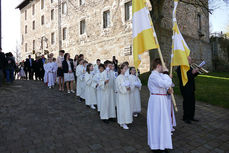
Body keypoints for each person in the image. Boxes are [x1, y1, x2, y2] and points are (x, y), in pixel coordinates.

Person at [147, 58, 173, 152]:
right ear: (158, 66)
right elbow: (164, 83)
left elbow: (166, 86)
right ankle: (156, 146)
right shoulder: (153, 76)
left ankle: (163, 144)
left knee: (163, 123)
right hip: (156, 102)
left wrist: (168, 92)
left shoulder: (159, 75)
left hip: (162, 100)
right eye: (163, 65)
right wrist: (167, 75)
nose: (165, 67)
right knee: (156, 123)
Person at [177, 56, 199, 124]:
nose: (190, 61)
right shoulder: (180, 68)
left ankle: (191, 116)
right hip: (185, 88)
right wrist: (192, 73)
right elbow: (184, 77)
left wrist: (196, 72)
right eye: (189, 60)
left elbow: (192, 76)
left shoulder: (189, 67)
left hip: (191, 87)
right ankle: (186, 117)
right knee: (187, 103)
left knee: (192, 102)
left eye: (190, 60)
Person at [116, 63, 133, 130]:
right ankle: (122, 122)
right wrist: (125, 89)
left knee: (126, 108)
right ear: (121, 69)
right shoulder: (118, 78)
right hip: (121, 96)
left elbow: (128, 85)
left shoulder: (126, 77)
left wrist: (129, 87)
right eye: (125, 69)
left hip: (126, 95)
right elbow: (119, 87)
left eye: (127, 69)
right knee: (122, 108)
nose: (126, 70)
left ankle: (126, 120)